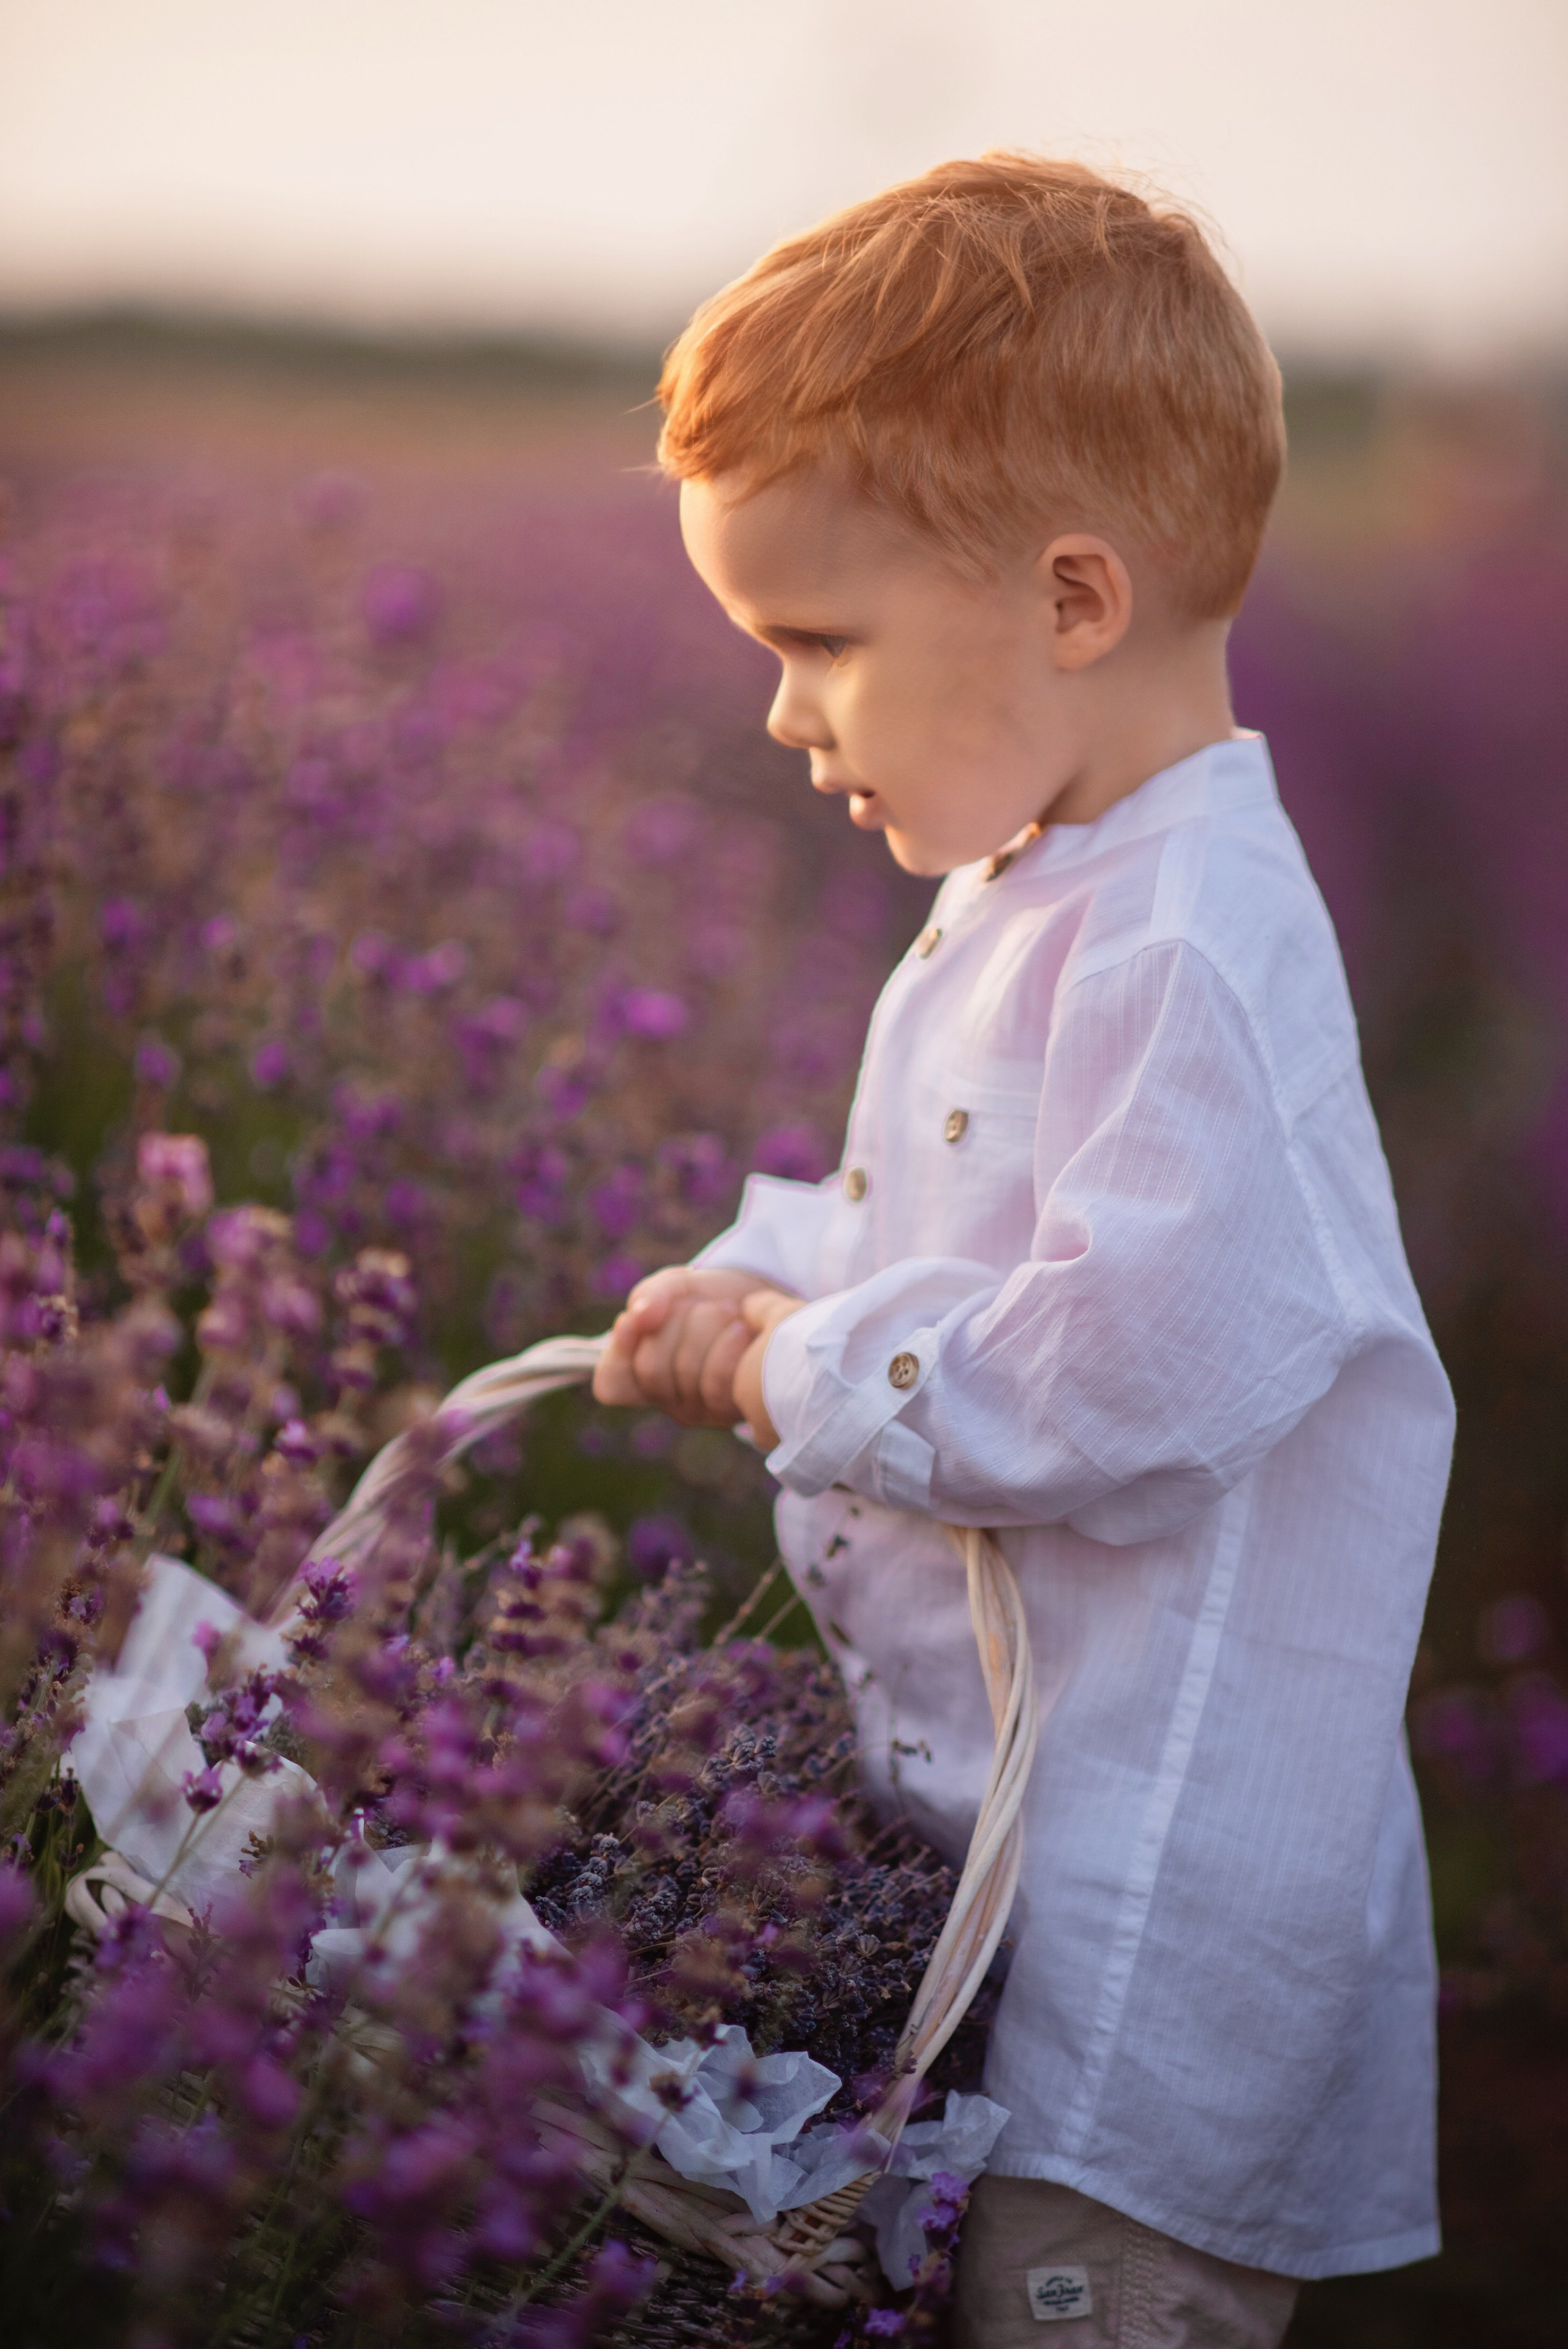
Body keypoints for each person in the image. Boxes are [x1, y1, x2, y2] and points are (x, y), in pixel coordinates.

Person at [594, 154, 1453, 2348]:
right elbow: (952, 1229)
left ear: (1073, 602)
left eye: (822, 643)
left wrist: (798, 1370)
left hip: (1155, 1950)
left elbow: (1120, 1377)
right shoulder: (1054, 879)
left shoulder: (1187, 945)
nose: (786, 712)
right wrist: (761, 1270)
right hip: (1012, 1873)